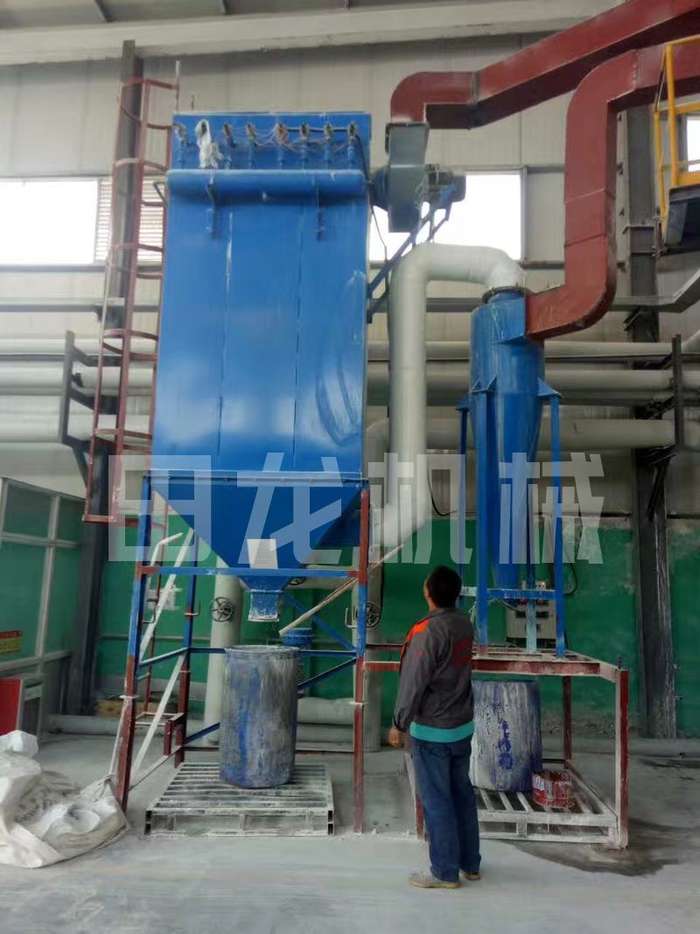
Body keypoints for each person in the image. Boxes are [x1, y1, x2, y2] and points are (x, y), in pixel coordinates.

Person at [388, 564, 480, 890]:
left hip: (433, 729)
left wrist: (399, 723)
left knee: (437, 799)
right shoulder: (464, 623)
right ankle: (470, 864)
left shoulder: (426, 632)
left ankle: (444, 871)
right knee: (462, 795)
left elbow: (413, 682)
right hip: (461, 725)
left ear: (428, 592)